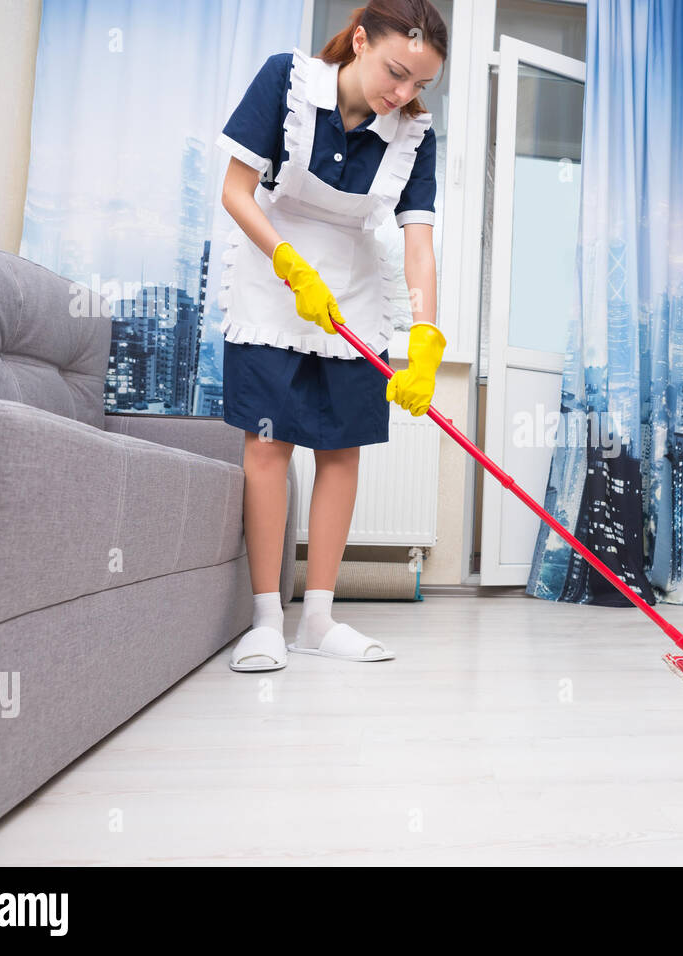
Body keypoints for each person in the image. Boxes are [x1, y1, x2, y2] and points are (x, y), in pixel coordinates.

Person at [216, 1, 448, 671]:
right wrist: (289, 264)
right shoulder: (287, 82)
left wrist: (426, 337)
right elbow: (236, 191)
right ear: (359, 40)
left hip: (350, 291)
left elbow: (419, 247)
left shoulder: (413, 135)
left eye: (418, 85)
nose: (401, 94)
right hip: (271, 278)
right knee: (268, 445)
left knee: (341, 451)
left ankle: (318, 620)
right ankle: (266, 618)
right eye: (396, 73)